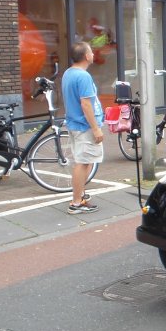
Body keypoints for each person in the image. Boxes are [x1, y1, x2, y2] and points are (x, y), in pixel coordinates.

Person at [63, 41, 103, 214]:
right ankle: (76, 202)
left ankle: (81, 195)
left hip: (74, 124)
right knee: (83, 163)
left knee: (84, 161)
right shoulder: (83, 76)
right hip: (84, 126)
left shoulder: (68, 73)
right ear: (86, 56)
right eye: (91, 52)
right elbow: (86, 104)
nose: (93, 54)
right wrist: (96, 128)